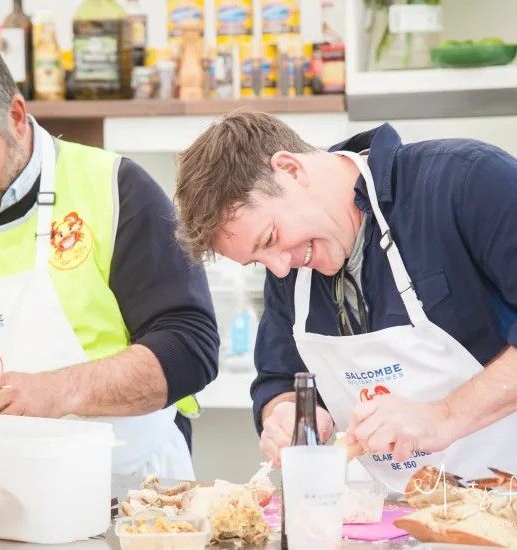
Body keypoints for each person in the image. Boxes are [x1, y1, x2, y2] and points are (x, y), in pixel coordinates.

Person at [175, 111, 517, 491]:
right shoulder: (291, 265)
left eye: (269, 238)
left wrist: (446, 415)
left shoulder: (468, 181)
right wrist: (288, 413)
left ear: (290, 170)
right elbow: (279, 378)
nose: (279, 269)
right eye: (258, 261)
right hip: (409, 518)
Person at [0, 36, 219, 479]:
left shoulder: (115, 188)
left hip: (132, 497)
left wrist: (60, 392)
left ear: (16, 116)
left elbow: (190, 346)